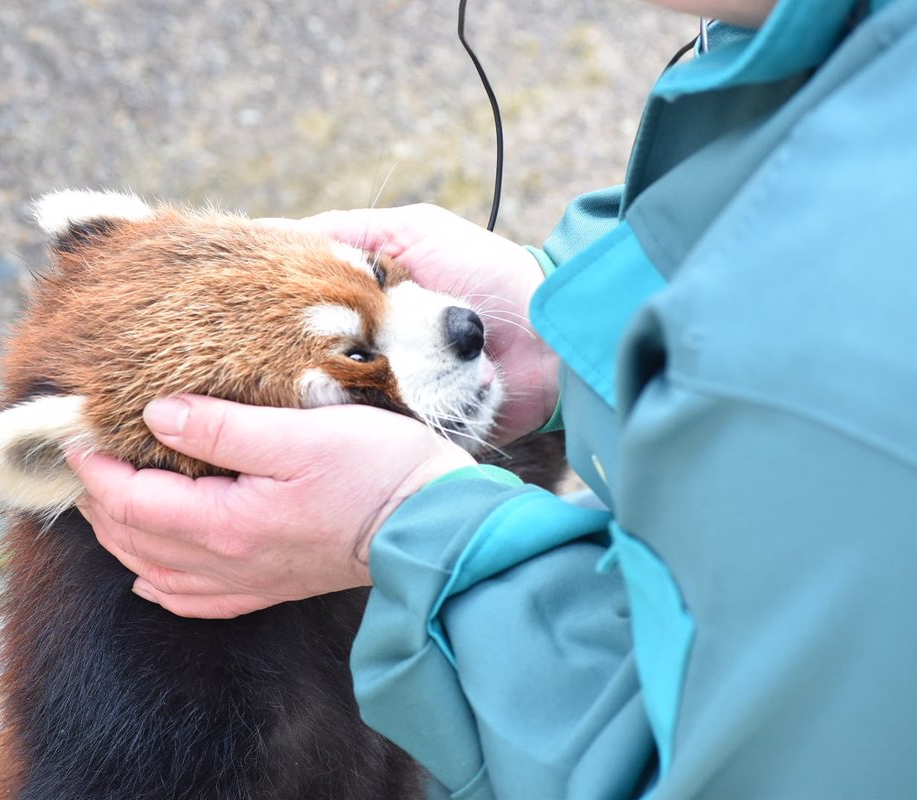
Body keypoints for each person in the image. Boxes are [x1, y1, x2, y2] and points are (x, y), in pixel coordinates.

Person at [66, 0, 917, 796]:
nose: (456, 320)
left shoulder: (858, 384)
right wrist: (568, 327)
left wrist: (412, 530)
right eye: (361, 347)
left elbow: (731, 764)